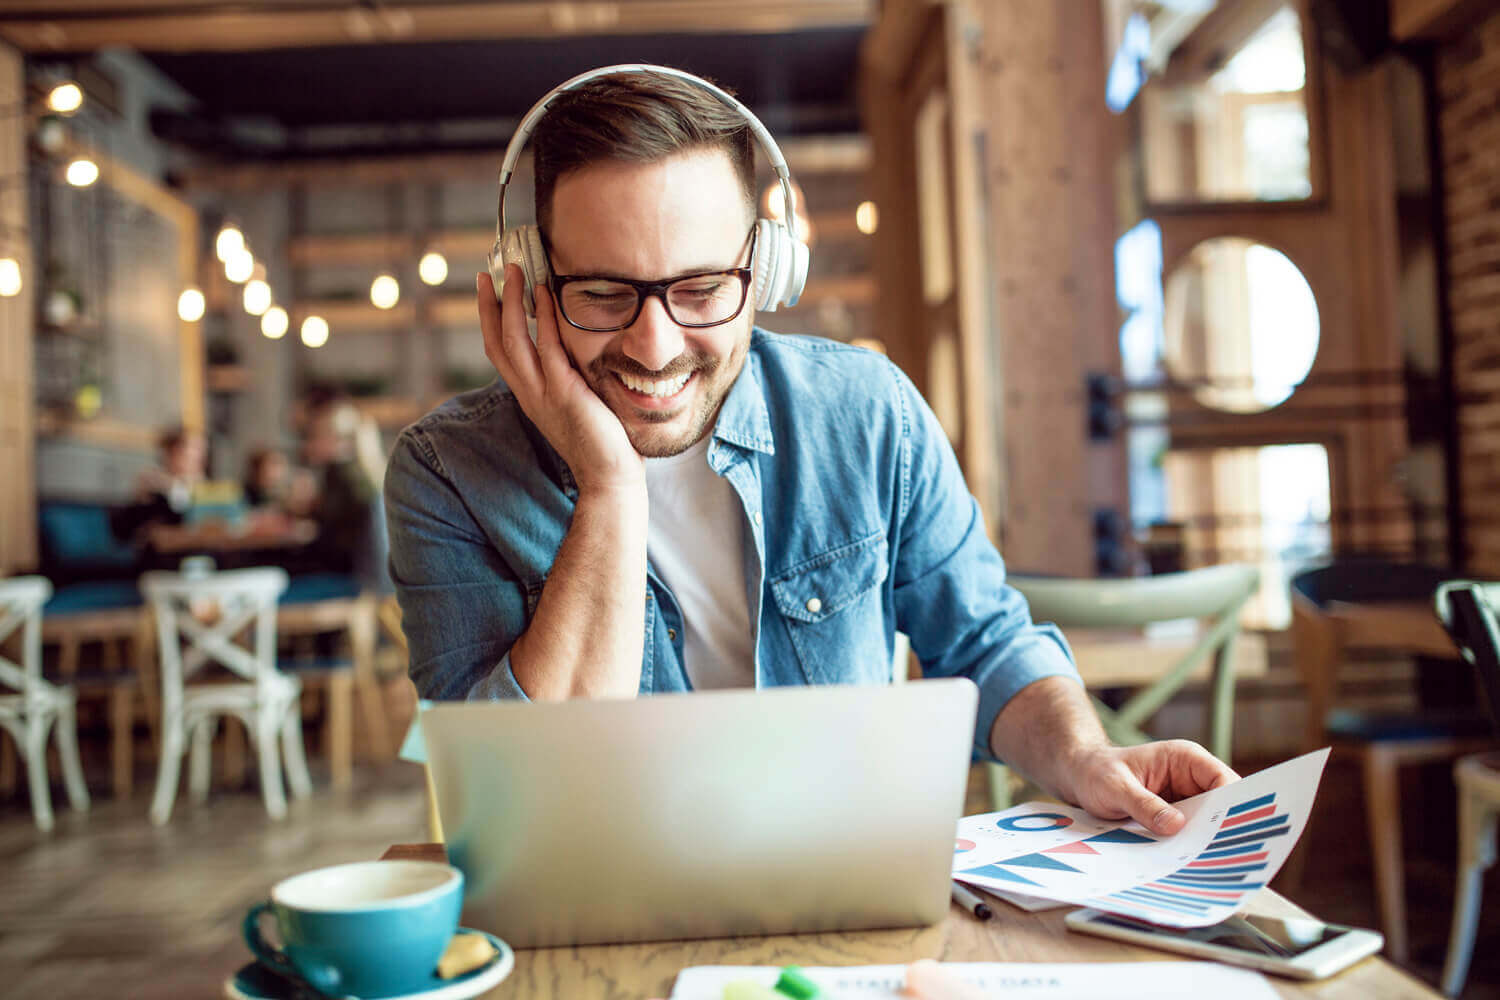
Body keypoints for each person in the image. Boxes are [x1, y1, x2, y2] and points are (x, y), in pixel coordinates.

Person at [384, 66, 1237, 837]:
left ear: (768, 273)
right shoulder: (447, 474)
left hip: (841, 877)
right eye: (603, 294)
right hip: (590, 907)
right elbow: (516, 795)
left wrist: (1085, 758)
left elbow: (981, 644)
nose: (653, 346)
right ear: (530, 284)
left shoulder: (866, 414)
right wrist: (610, 483)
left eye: (702, 290)